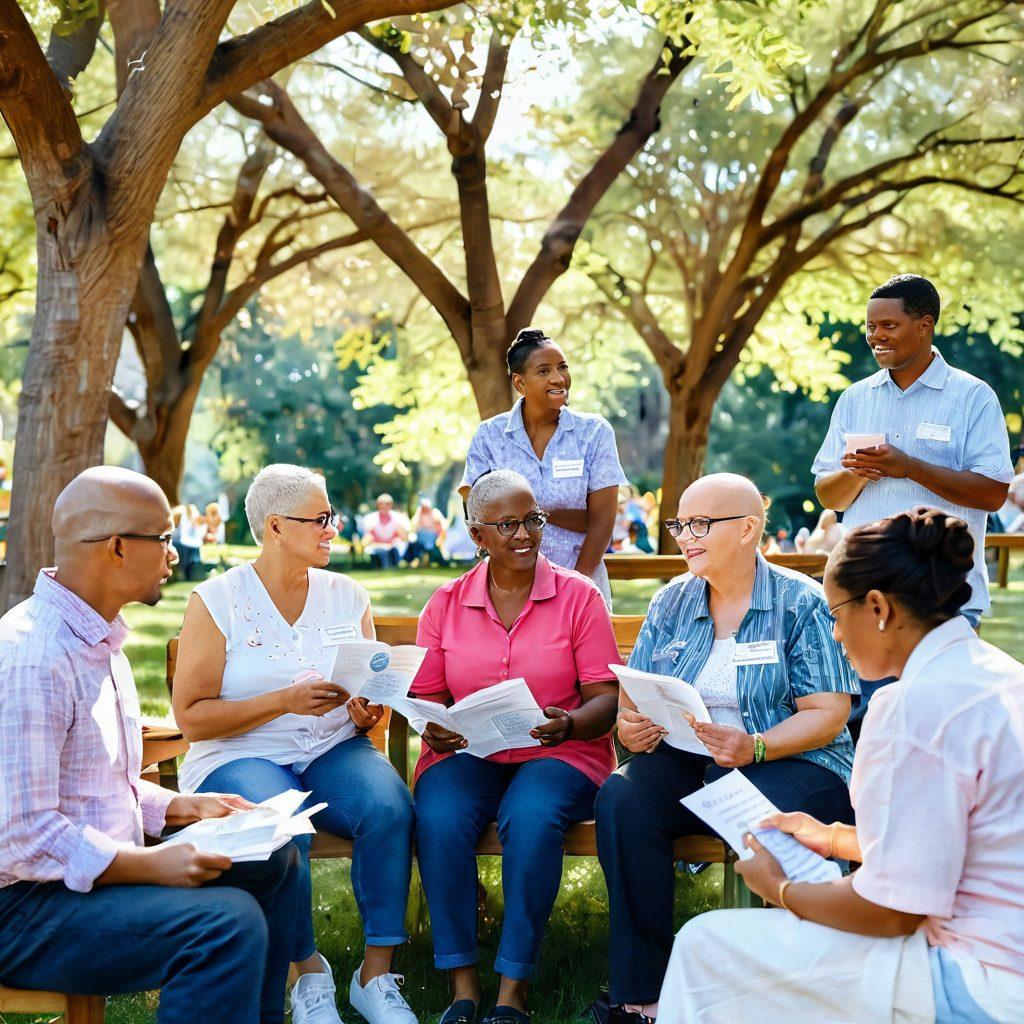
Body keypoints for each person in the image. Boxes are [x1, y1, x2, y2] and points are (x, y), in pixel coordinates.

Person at [659, 506, 1024, 1023]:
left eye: (834, 614)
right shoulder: (999, 672)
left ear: (877, 608)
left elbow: (893, 912)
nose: (833, 635)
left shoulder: (911, 708)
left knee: (702, 942)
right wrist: (832, 839)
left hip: (978, 979)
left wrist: (781, 890)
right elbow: (957, 843)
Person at [0, 467, 302, 1024]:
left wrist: (176, 806)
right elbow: (22, 835)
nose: (173, 553)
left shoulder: (98, 635)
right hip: (23, 908)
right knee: (226, 923)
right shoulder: (35, 655)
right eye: (162, 538)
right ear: (117, 548)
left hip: (82, 879)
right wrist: (149, 863)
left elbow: (89, 783)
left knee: (272, 857)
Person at [592, 473, 858, 1023]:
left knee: (732, 790)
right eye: (679, 524)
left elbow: (828, 714)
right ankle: (644, 995)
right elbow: (632, 697)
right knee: (623, 798)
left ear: (748, 530)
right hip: (692, 758)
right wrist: (630, 728)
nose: (685, 536)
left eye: (699, 524)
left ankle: (776, 985)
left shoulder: (800, 602)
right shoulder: (672, 602)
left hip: (795, 762)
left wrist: (755, 747)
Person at [172, 465, 417, 1024]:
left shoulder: (347, 593)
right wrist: (283, 700)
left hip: (331, 748)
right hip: (239, 754)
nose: (334, 527)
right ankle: (307, 972)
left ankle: (375, 975)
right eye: (322, 518)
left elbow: (367, 692)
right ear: (277, 527)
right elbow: (191, 718)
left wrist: (365, 710)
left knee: (389, 806)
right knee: (282, 826)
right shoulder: (217, 600)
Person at [411, 469, 621, 1024]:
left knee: (530, 815)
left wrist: (571, 723)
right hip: (470, 750)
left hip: (560, 749)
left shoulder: (579, 597)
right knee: (439, 814)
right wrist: (434, 727)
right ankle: (462, 986)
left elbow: (606, 698)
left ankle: (513, 987)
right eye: (508, 524)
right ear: (477, 535)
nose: (525, 533)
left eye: (533, 519)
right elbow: (426, 695)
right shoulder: (446, 603)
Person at [813, 274, 1013, 631]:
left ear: (924, 326)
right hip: (863, 597)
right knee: (868, 691)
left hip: (943, 599)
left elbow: (993, 493)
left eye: (889, 325)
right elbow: (829, 495)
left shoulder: (973, 397)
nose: (876, 336)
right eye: (871, 326)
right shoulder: (854, 399)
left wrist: (909, 467)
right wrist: (860, 471)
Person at [460, 328, 627, 605]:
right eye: (543, 371)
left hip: (581, 587)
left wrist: (577, 587)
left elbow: (602, 521)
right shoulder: (489, 435)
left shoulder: (594, 433)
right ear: (519, 383)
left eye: (562, 367)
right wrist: (563, 515)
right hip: (509, 592)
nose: (558, 378)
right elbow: (480, 517)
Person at [361, 493, 408, 569]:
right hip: (377, 546)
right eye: (381, 503)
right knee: (381, 552)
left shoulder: (398, 518)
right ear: (377, 505)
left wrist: (392, 541)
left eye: (387, 504)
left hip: (393, 548)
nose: (384, 506)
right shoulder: (370, 519)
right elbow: (367, 537)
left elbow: (404, 537)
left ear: (391, 505)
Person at [405, 496, 448, 566]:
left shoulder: (435, 513)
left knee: (429, 539)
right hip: (422, 537)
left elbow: (441, 526)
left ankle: (428, 553)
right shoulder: (419, 515)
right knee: (415, 541)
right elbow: (415, 527)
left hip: (433, 536)